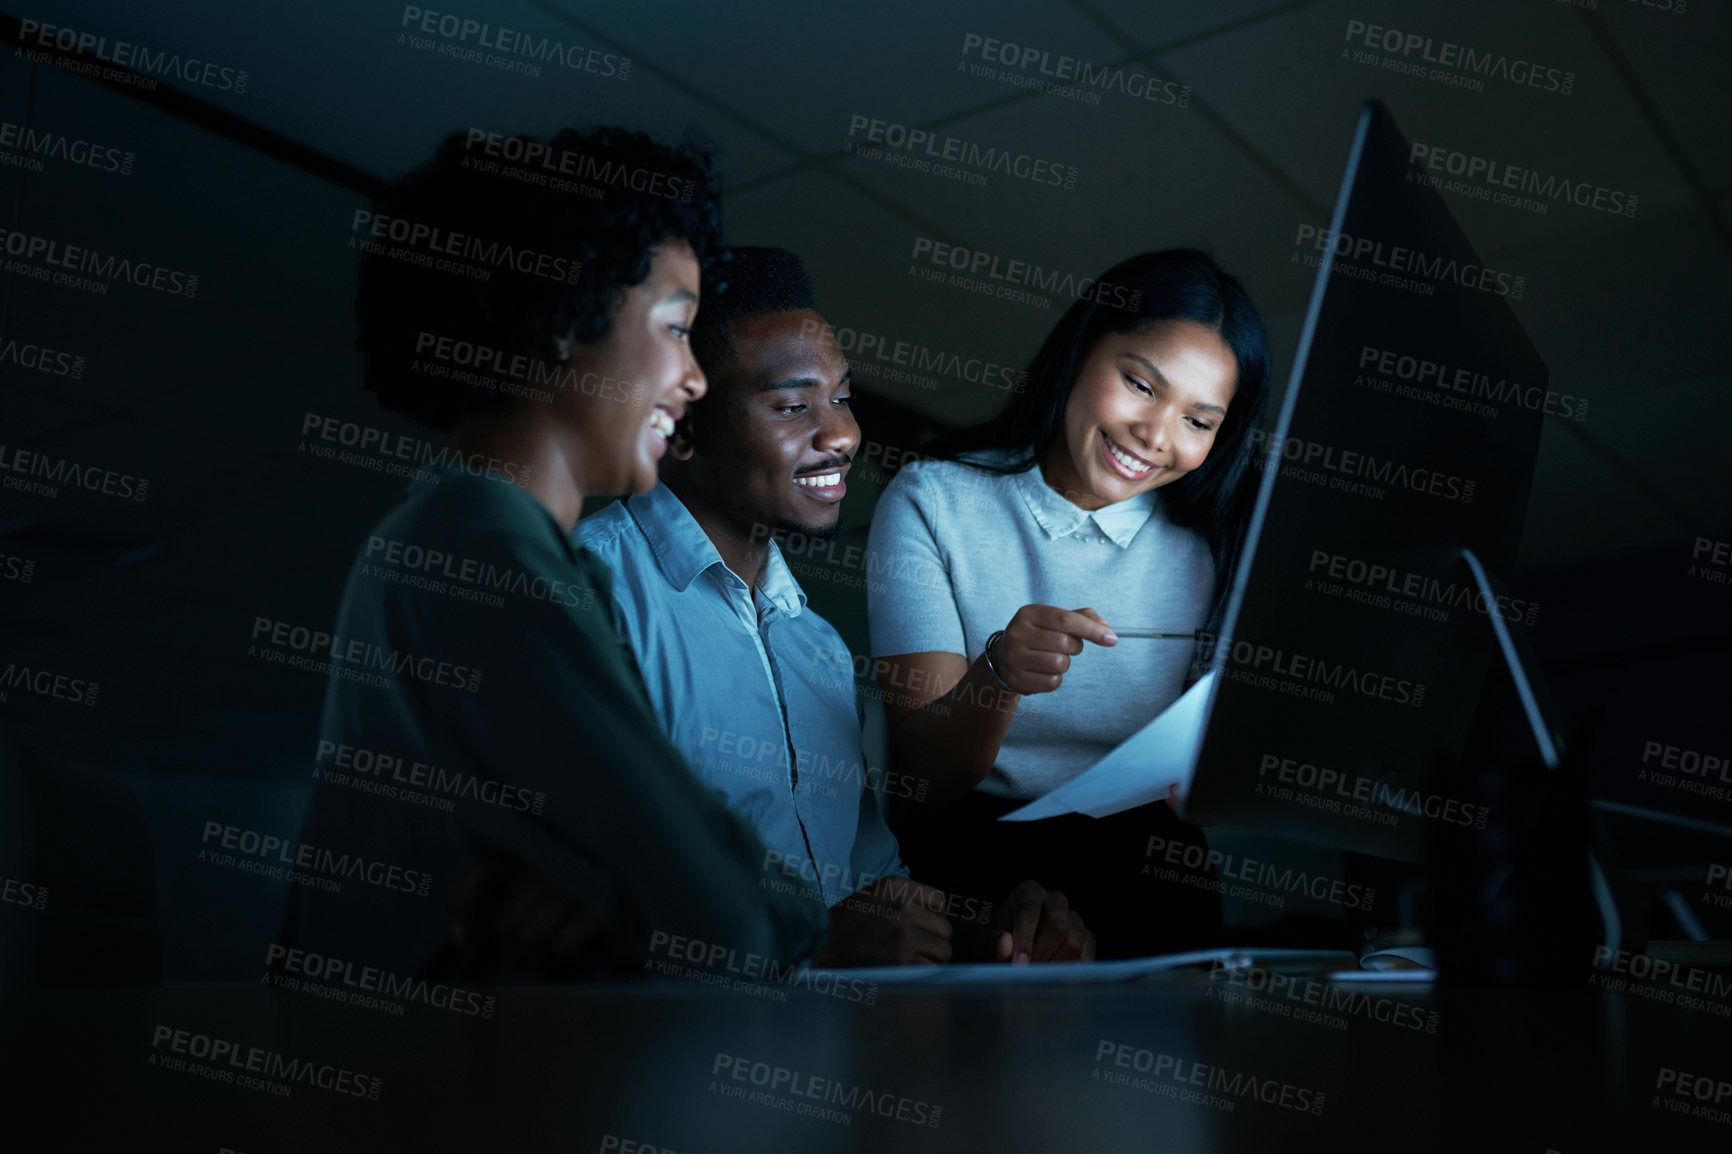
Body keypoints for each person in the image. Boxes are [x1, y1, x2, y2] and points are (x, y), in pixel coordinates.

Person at [280, 128, 828, 981]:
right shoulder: (483, 544)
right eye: (679, 329)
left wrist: (598, 893)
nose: (693, 379)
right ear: (570, 313)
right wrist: (781, 908)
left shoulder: (464, 531)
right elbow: (727, 920)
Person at [577, 246, 1095, 964]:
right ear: (683, 422)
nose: (844, 435)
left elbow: (863, 884)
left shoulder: (813, 642)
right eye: (794, 406)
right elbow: (562, 903)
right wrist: (810, 946)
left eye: (842, 398)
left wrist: (983, 938)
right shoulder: (589, 590)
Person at [865, 249, 1273, 957]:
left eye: (1199, 422)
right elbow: (923, 773)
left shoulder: (1214, 544)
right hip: (970, 855)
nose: (1157, 436)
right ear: (1082, 351)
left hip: (1152, 874)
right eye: (1141, 385)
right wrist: (998, 677)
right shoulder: (935, 501)